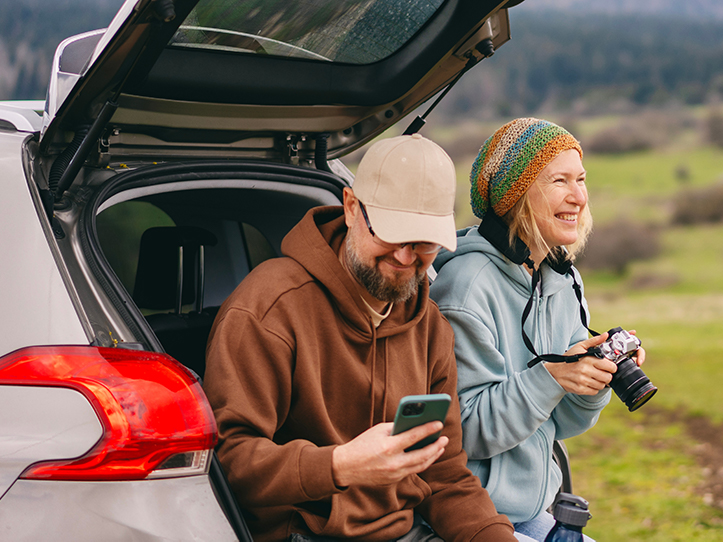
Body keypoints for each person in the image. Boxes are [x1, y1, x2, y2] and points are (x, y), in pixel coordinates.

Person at [204, 134, 520, 542]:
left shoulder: (430, 327)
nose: (406, 258)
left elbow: (443, 474)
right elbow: (230, 461)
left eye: (423, 242)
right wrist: (338, 466)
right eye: (392, 234)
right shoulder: (269, 307)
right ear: (352, 208)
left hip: (406, 531)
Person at [430, 118, 645, 540]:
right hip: (468, 514)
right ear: (514, 195)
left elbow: (560, 422)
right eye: (558, 180)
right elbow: (464, 430)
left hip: (531, 508)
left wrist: (594, 378)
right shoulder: (466, 288)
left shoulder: (561, 279)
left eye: (581, 179)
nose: (578, 196)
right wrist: (550, 378)